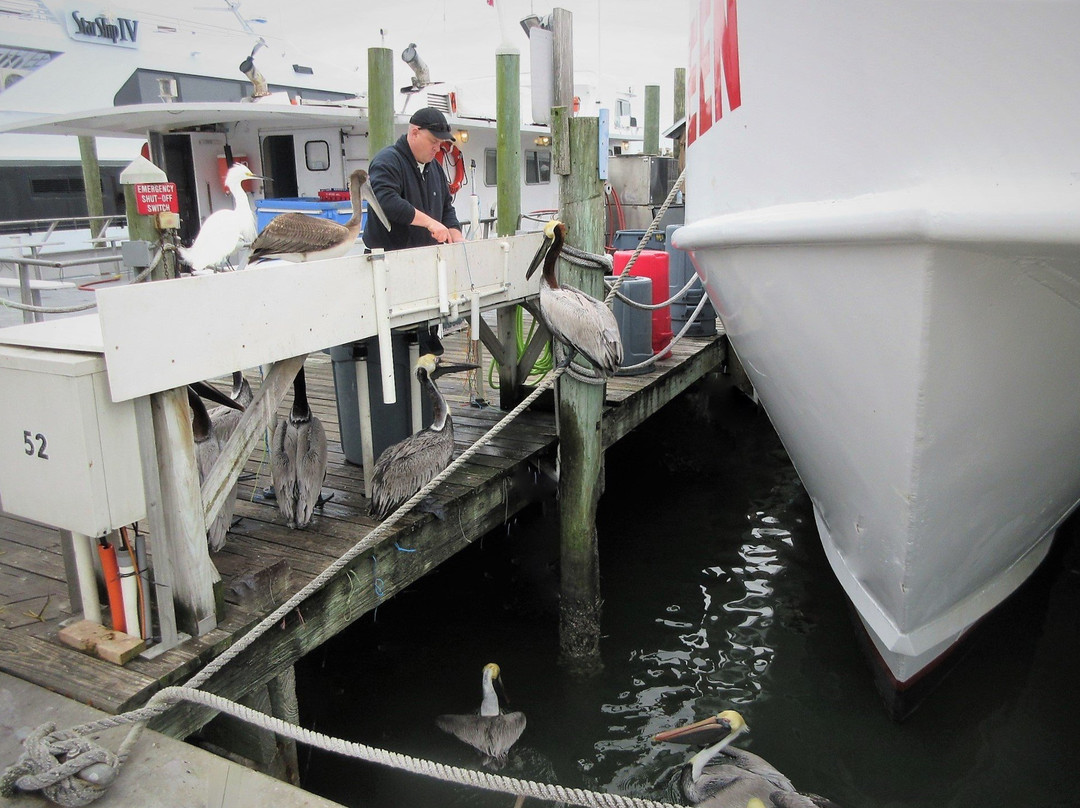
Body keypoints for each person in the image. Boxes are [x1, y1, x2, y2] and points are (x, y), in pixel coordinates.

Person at [363, 107, 465, 251]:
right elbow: (386, 201)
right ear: (415, 133)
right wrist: (429, 222)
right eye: (433, 141)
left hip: (426, 257)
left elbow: (446, 208)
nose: (437, 148)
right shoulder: (387, 161)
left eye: (440, 143)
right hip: (388, 259)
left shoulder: (435, 167)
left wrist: (456, 236)